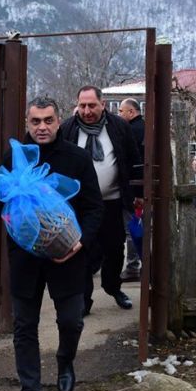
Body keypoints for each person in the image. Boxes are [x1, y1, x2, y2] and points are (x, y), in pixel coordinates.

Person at [0, 97, 104, 391]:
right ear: (27, 123)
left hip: (67, 256)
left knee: (72, 321)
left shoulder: (77, 158)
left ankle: (65, 360)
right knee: (25, 327)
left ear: (58, 122)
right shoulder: (14, 156)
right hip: (25, 258)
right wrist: (12, 198)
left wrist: (80, 242)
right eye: (36, 121)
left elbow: (94, 207)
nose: (42, 127)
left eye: (48, 120)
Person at [60, 86, 142, 315]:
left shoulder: (119, 127)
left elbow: (134, 159)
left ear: (103, 104)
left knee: (114, 250)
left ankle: (113, 287)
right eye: (83, 105)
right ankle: (84, 300)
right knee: (83, 252)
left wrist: (138, 194)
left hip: (112, 201)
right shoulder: (67, 128)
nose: (87, 111)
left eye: (92, 105)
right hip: (80, 206)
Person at [117, 98, 145, 281]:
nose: (119, 115)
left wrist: (137, 193)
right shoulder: (144, 127)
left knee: (132, 229)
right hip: (139, 187)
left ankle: (133, 266)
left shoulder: (132, 131)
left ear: (131, 112)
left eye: (121, 111)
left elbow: (132, 162)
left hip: (134, 188)